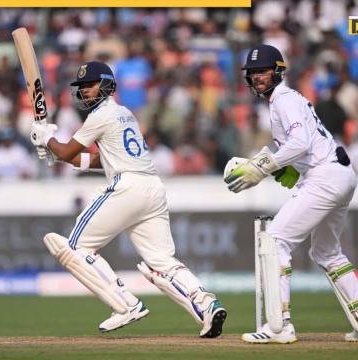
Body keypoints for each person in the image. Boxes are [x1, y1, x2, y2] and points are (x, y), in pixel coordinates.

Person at [29, 61, 226, 337]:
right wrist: (57, 151)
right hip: (152, 187)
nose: (85, 91)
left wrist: (47, 139)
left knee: (75, 248)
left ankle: (125, 305)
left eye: (90, 85)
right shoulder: (125, 114)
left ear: (107, 85)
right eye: (82, 87)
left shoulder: (99, 116)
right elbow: (101, 158)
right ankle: (207, 305)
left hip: (128, 186)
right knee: (161, 261)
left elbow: (66, 151)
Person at [223, 45, 358, 344]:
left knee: (276, 241)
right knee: (327, 252)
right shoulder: (285, 101)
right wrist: (285, 171)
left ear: (278, 72)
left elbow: (300, 143)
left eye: (263, 71)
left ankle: (279, 326)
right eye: (253, 72)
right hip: (338, 174)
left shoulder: (283, 99)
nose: (257, 77)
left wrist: (261, 166)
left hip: (325, 176)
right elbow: (303, 149)